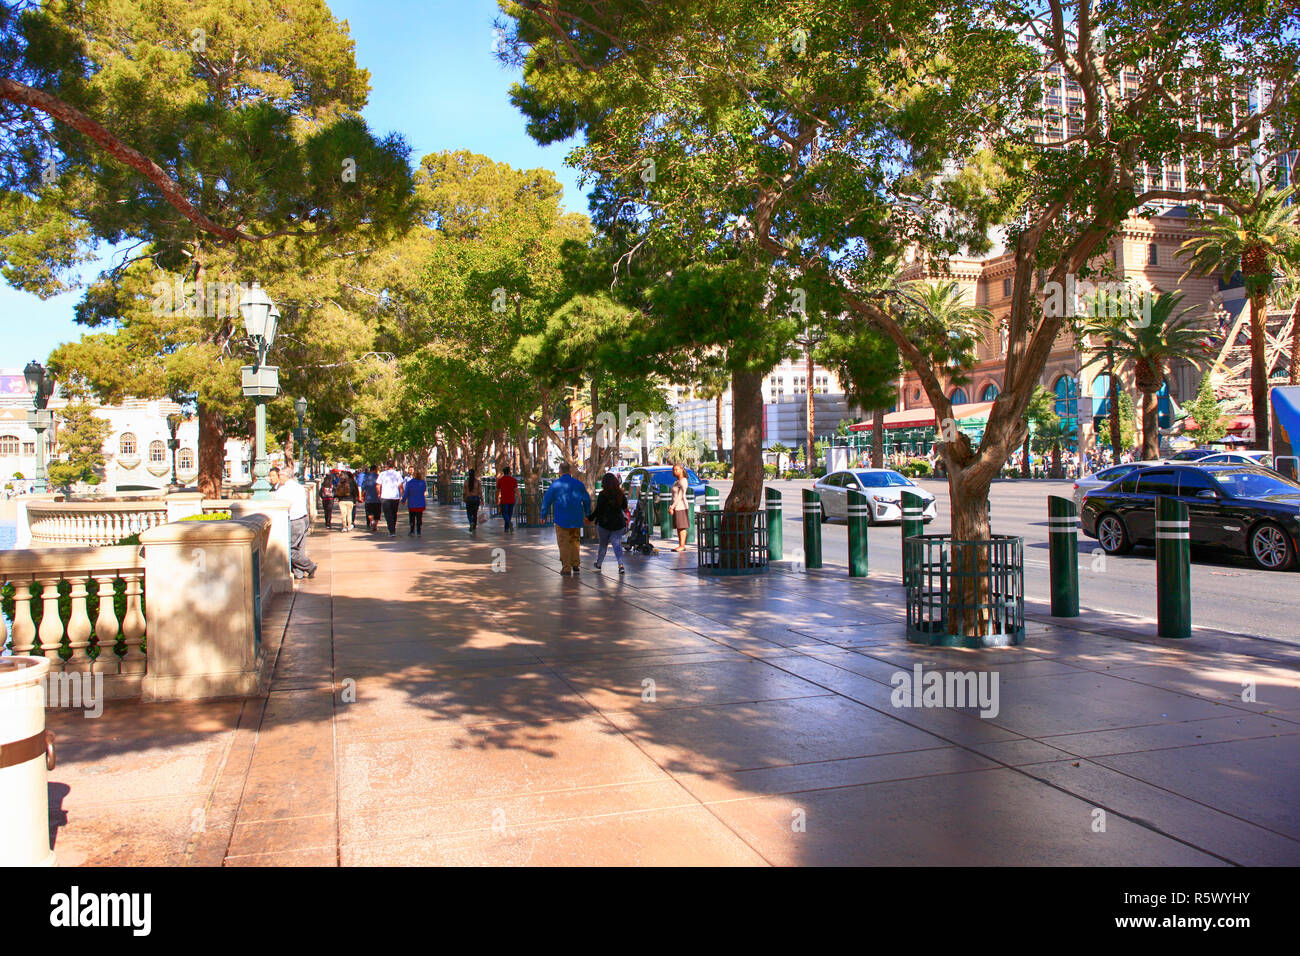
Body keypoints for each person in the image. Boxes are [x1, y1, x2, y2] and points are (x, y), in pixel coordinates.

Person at [540, 461, 592, 575]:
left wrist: (543, 515)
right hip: (576, 518)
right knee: (575, 541)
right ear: (570, 471)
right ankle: (576, 564)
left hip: (561, 518)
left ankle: (566, 567)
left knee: (564, 542)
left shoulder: (555, 485)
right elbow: (587, 500)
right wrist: (588, 515)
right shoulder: (578, 484)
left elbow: (547, 500)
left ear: (559, 472)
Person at [272, 464, 316, 580]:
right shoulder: (299, 487)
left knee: (290, 549)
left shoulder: (284, 489)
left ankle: (310, 566)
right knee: (299, 548)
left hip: (294, 520)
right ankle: (299, 573)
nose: (279, 477)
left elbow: (277, 503)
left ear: (286, 476)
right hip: (303, 518)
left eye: (280, 475)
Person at [590, 472, 629, 574]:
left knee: (603, 545)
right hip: (618, 524)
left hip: (604, 524)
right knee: (617, 544)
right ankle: (620, 565)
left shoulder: (603, 494)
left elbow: (598, 510)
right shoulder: (621, 494)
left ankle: (599, 564)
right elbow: (624, 507)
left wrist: (590, 518)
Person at [377, 461, 404, 536]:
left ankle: (391, 529)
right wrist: (402, 496)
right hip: (395, 497)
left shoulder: (382, 474)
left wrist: (379, 493)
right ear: (394, 466)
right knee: (394, 513)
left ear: (387, 466)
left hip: (385, 496)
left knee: (387, 514)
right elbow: (401, 486)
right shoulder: (397, 474)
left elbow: (378, 485)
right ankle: (393, 528)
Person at [669, 463, 691, 552]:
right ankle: (680, 545)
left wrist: (672, 507)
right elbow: (673, 496)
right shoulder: (676, 482)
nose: (675, 471)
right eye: (674, 470)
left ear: (682, 470)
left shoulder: (683, 481)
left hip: (681, 506)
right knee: (678, 526)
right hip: (676, 507)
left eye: (677, 469)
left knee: (682, 526)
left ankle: (682, 545)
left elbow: (680, 496)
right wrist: (672, 507)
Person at [403, 469, 428, 536]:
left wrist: (403, 500)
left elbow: (406, 493)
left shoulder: (409, 483)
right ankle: (419, 531)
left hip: (412, 503)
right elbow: (424, 490)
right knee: (419, 517)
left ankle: (412, 530)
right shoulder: (423, 483)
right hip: (420, 503)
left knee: (412, 517)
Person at [335, 467, 358, 532]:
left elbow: (337, 492)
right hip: (350, 500)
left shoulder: (339, 483)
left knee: (343, 514)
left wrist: (338, 498)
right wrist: (354, 500)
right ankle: (349, 525)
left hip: (342, 501)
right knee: (349, 514)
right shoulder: (350, 483)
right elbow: (354, 492)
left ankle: (344, 526)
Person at [497, 465, 518, 532]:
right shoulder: (513, 480)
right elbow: (516, 490)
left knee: (504, 513)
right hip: (512, 499)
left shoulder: (500, 480)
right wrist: (519, 497)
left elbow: (497, 490)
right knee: (509, 514)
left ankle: (508, 524)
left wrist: (497, 498)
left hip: (504, 499)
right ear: (509, 472)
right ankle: (506, 528)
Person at [359, 464, 381, 531]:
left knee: (370, 512)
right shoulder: (378, 477)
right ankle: (375, 525)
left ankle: (372, 522)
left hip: (368, 499)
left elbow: (363, 488)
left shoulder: (366, 477)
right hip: (378, 499)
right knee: (377, 513)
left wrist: (362, 496)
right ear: (375, 469)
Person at [464, 468, 482, 533]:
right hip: (476, 499)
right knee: (475, 513)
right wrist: (482, 499)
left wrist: (464, 498)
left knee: (469, 512)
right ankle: (474, 526)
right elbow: (480, 492)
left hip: (469, 498)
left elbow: (464, 492)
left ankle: (471, 522)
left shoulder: (466, 482)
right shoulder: (478, 482)